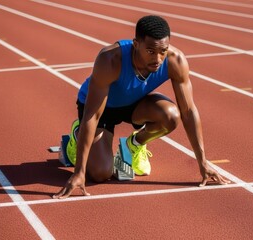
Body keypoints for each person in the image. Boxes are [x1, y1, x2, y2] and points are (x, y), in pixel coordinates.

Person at [53, 15, 230, 199]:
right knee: (100, 174)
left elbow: (188, 111)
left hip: (134, 102)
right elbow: (92, 115)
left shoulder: (175, 61)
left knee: (171, 115)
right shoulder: (110, 60)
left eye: (163, 51)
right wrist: (79, 172)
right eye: (151, 51)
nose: (158, 58)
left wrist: (203, 162)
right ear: (136, 44)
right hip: (101, 108)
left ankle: (134, 146)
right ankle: (76, 136)